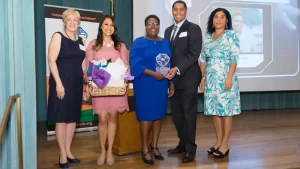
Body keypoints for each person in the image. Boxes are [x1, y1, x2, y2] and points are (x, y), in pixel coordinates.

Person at [85, 15, 129, 166]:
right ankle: (102, 150)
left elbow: (126, 66)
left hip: (116, 89)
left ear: (115, 28)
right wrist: (89, 83)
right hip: (99, 88)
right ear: (101, 26)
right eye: (106, 24)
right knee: (102, 118)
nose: (109, 27)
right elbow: (88, 67)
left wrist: (126, 79)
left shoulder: (120, 46)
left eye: (112, 25)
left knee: (112, 117)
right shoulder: (93, 45)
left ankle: (110, 150)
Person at [130, 14, 174, 165]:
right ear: (145, 26)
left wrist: (171, 82)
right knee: (146, 115)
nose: (153, 26)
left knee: (159, 115)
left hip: (161, 84)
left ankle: (154, 146)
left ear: (159, 25)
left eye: (155, 23)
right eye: (149, 23)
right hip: (145, 83)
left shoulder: (166, 43)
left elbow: (170, 63)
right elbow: (135, 63)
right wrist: (153, 73)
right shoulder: (139, 42)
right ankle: (144, 148)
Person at [199, 8, 241, 158]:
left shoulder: (230, 35)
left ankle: (225, 145)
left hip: (225, 80)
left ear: (227, 20)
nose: (218, 20)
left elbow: (234, 58)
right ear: (212, 20)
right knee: (215, 111)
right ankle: (218, 142)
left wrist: (229, 76)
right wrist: (201, 78)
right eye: (216, 17)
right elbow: (203, 59)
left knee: (226, 112)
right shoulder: (208, 37)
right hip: (210, 81)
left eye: (222, 17)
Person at [164, 0, 202, 163]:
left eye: (181, 9)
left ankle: (190, 149)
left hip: (189, 78)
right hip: (173, 80)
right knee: (177, 115)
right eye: (175, 9)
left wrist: (177, 69)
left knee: (188, 114)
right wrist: (168, 76)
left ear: (186, 12)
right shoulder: (167, 31)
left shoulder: (193, 28)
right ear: (172, 12)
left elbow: (194, 54)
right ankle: (182, 143)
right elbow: (167, 55)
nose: (178, 12)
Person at [47, 8, 84, 168]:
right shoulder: (58, 36)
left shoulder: (80, 40)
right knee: (61, 119)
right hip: (61, 84)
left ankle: (68, 151)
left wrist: (86, 81)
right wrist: (59, 84)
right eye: (69, 20)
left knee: (72, 119)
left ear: (79, 22)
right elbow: (51, 61)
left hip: (76, 84)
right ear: (64, 22)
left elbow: (82, 64)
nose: (72, 23)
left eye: (75, 20)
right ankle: (62, 153)